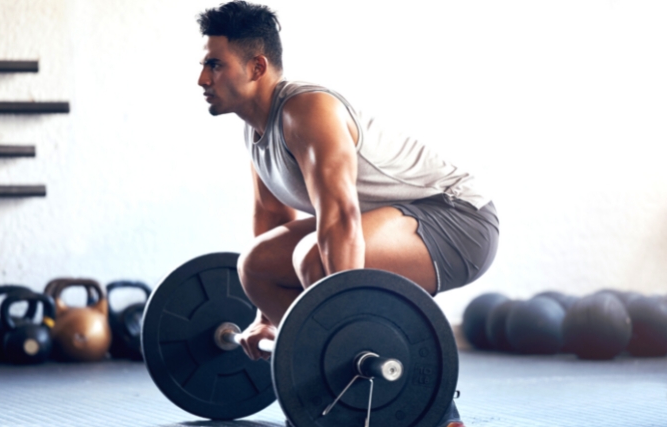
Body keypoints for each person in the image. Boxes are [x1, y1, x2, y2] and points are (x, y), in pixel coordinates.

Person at [196, 2, 499, 426]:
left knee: (315, 256)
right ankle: (329, 381)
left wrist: (351, 329)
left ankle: (435, 411)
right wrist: (265, 319)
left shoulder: (306, 110)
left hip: (459, 218)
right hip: (392, 222)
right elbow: (270, 219)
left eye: (215, 65)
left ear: (256, 66)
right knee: (256, 265)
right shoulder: (256, 130)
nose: (202, 79)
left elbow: (338, 220)